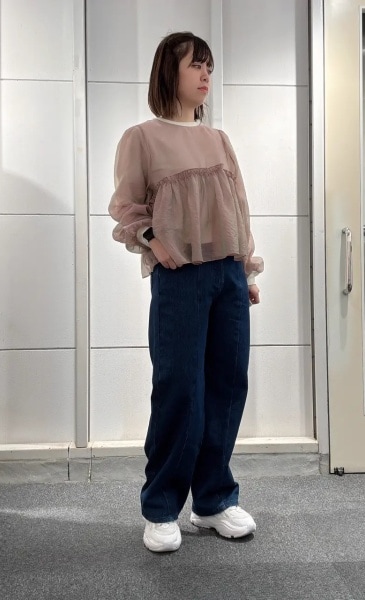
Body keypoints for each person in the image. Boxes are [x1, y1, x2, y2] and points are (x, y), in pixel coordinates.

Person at [109, 31, 264, 553]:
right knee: (180, 390)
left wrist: (247, 271)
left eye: (209, 67)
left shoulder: (218, 140)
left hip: (227, 275)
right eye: (196, 65)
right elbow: (126, 207)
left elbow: (237, 208)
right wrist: (154, 240)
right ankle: (160, 507)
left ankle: (213, 500)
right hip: (180, 278)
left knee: (227, 386)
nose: (205, 75)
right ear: (168, 71)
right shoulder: (142, 138)